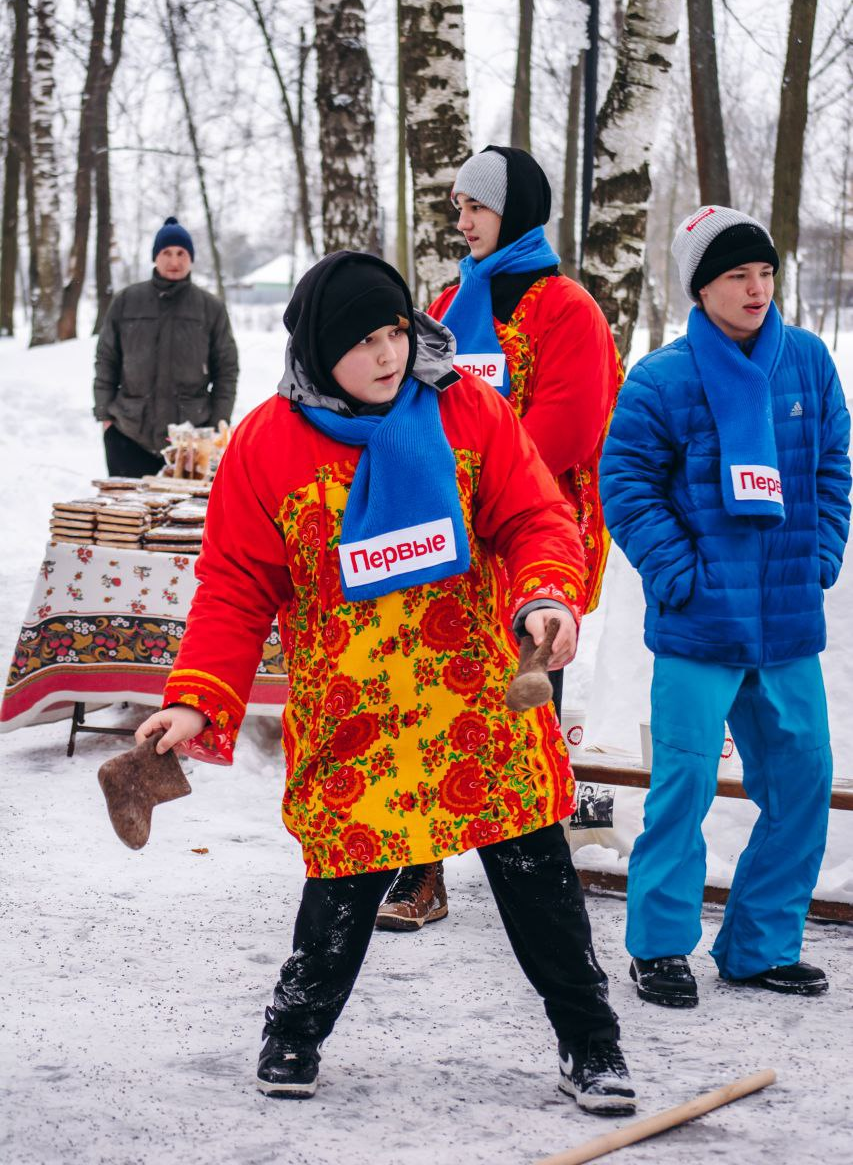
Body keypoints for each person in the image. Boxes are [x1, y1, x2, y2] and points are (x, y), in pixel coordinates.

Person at [134, 250, 636, 1114]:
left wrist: (546, 595)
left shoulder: (466, 410)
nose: (388, 354)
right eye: (364, 339)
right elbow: (234, 587)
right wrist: (195, 698)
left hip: (478, 706)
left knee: (536, 878)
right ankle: (292, 1034)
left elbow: (533, 517)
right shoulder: (267, 443)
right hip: (355, 718)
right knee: (341, 889)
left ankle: (590, 1043)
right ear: (320, 349)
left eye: (397, 330)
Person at [599, 206, 851, 1008]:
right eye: (735, 276)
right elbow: (626, 486)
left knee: (802, 785)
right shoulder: (662, 378)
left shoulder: (807, 362)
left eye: (764, 273)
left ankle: (758, 946)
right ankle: (660, 948)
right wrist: (679, 574)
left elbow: (834, 464)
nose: (754, 289)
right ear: (699, 289)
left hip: (782, 625)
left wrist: (818, 556)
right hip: (699, 624)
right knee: (685, 789)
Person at [376, 146, 621, 932]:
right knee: (435, 690)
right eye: (457, 208)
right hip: (448, 532)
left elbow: (569, 428)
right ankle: (423, 872)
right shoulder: (449, 303)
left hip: (532, 532)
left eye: (474, 206)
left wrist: (483, 495)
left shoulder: (565, 307)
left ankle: (552, 862)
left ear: (511, 210)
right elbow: (419, 405)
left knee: (527, 702)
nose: (462, 220)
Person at [93, 216, 239, 478]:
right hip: (128, 435)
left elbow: (226, 368)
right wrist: (106, 416)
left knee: (182, 518)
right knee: (126, 518)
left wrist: (218, 423)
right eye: (167, 252)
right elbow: (106, 359)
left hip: (191, 441)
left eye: (181, 253)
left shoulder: (210, 308)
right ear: (155, 257)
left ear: (191, 258)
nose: (174, 261)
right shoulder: (126, 301)